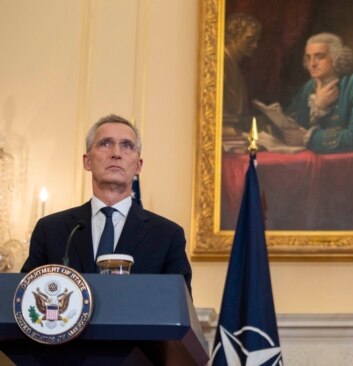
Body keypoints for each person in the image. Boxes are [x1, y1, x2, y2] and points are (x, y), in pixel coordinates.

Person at [21, 114, 192, 293]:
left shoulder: (167, 235)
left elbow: (179, 307)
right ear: (87, 161)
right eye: (105, 143)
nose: (116, 154)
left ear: (138, 166)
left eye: (126, 145)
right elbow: (26, 298)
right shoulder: (51, 230)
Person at [284, 33, 353, 156]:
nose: (312, 64)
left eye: (319, 57)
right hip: (323, 161)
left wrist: (309, 138)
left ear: (337, 58)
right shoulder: (308, 87)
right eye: (308, 58)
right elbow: (294, 125)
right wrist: (317, 106)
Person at [222, 13, 261, 137]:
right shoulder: (222, 62)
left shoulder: (234, 65)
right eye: (250, 39)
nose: (255, 45)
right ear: (234, 36)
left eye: (256, 40)